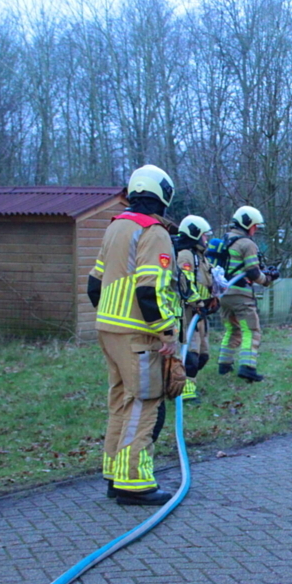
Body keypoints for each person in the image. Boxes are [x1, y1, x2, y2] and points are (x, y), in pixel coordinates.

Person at [86, 164, 180, 506]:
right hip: (137, 334)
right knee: (145, 402)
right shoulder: (153, 232)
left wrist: (110, 316)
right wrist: (166, 332)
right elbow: (149, 290)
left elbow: (94, 283)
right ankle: (133, 482)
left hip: (108, 329)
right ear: (164, 195)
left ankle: (114, 474)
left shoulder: (116, 227)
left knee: (120, 401)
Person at [216, 205, 276, 382]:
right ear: (247, 223)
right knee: (251, 330)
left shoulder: (226, 239)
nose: (255, 230)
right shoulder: (247, 244)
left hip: (223, 293)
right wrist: (267, 279)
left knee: (232, 329)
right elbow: (252, 272)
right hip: (240, 294)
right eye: (255, 226)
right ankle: (248, 367)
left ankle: (224, 365)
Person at [175, 215, 216, 404]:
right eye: (204, 236)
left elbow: (206, 281)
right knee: (190, 354)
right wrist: (198, 303)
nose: (206, 240)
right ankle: (185, 392)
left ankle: (183, 384)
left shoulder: (201, 257)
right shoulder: (185, 255)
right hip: (188, 312)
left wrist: (213, 297)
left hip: (200, 314)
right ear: (194, 235)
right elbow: (185, 284)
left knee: (203, 354)